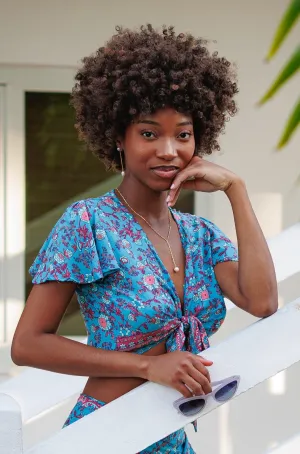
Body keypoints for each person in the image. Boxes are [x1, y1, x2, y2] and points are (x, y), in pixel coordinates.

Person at [11, 25, 278, 453]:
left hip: (169, 434)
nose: (169, 150)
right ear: (119, 137)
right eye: (149, 133)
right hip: (108, 434)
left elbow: (263, 302)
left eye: (183, 134)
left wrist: (237, 190)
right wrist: (148, 366)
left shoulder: (200, 235)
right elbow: (27, 345)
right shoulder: (89, 223)